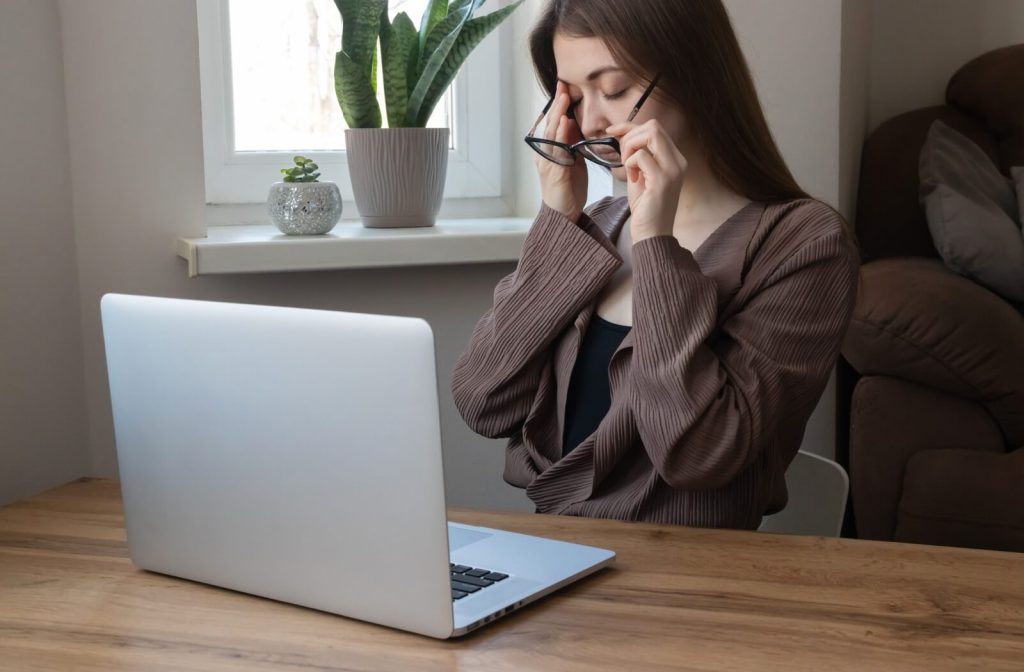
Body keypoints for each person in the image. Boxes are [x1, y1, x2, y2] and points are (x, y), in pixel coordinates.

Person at [451, 0, 860, 529]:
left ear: (694, 73)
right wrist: (556, 216)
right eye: (573, 97)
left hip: (687, 578)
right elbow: (484, 403)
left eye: (615, 89)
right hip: (551, 553)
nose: (592, 121)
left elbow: (699, 454)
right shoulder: (593, 223)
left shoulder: (804, 244)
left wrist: (656, 243)